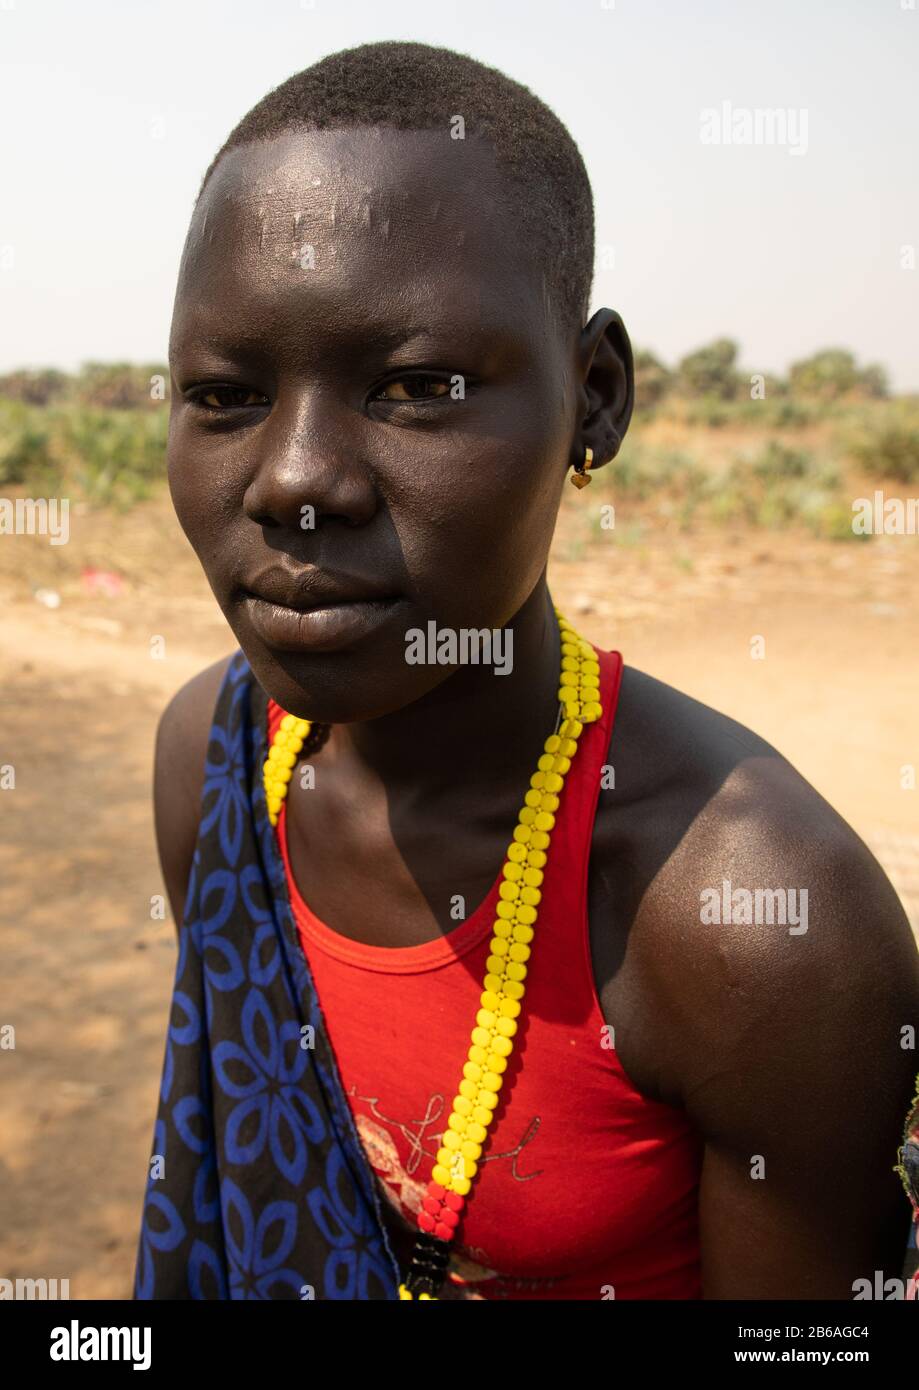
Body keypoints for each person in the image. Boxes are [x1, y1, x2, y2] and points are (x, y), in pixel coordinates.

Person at [134, 40, 919, 1301]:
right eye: (225, 396)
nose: (292, 481)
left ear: (594, 398)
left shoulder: (753, 927)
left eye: (414, 387)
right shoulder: (216, 769)